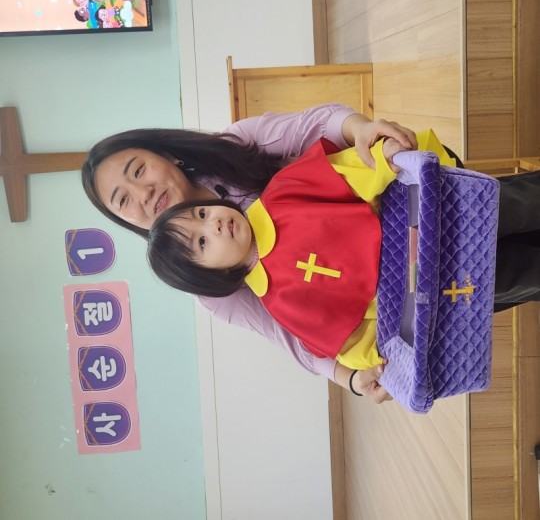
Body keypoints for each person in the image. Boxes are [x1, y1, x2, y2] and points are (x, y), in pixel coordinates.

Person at [81, 103, 540, 399]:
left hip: (419, 208)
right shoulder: (240, 294)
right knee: (507, 277)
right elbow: (308, 337)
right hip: (424, 290)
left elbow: (321, 133)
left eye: (138, 170)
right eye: (123, 200)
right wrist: (359, 373)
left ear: (164, 154)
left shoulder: (254, 168)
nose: (143, 193)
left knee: (516, 208)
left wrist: (368, 139)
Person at [145, 131, 460, 373]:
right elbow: (344, 337)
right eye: (202, 243)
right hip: (421, 296)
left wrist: (382, 158)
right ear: (212, 275)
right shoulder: (279, 304)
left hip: (424, 220)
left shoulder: (280, 193)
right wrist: (378, 358)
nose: (212, 224)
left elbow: (346, 172)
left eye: (201, 213)